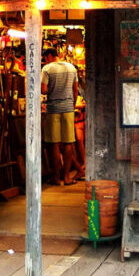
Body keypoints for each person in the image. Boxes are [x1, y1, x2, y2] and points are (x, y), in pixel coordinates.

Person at [41, 47, 81, 185]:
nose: (45, 61)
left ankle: (56, 178)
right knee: (68, 142)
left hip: (53, 109)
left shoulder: (47, 69)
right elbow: (75, 90)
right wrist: (72, 105)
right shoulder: (71, 68)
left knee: (54, 144)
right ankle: (67, 177)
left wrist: (52, 89)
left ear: (49, 56)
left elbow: (43, 90)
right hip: (68, 108)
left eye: (45, 58)